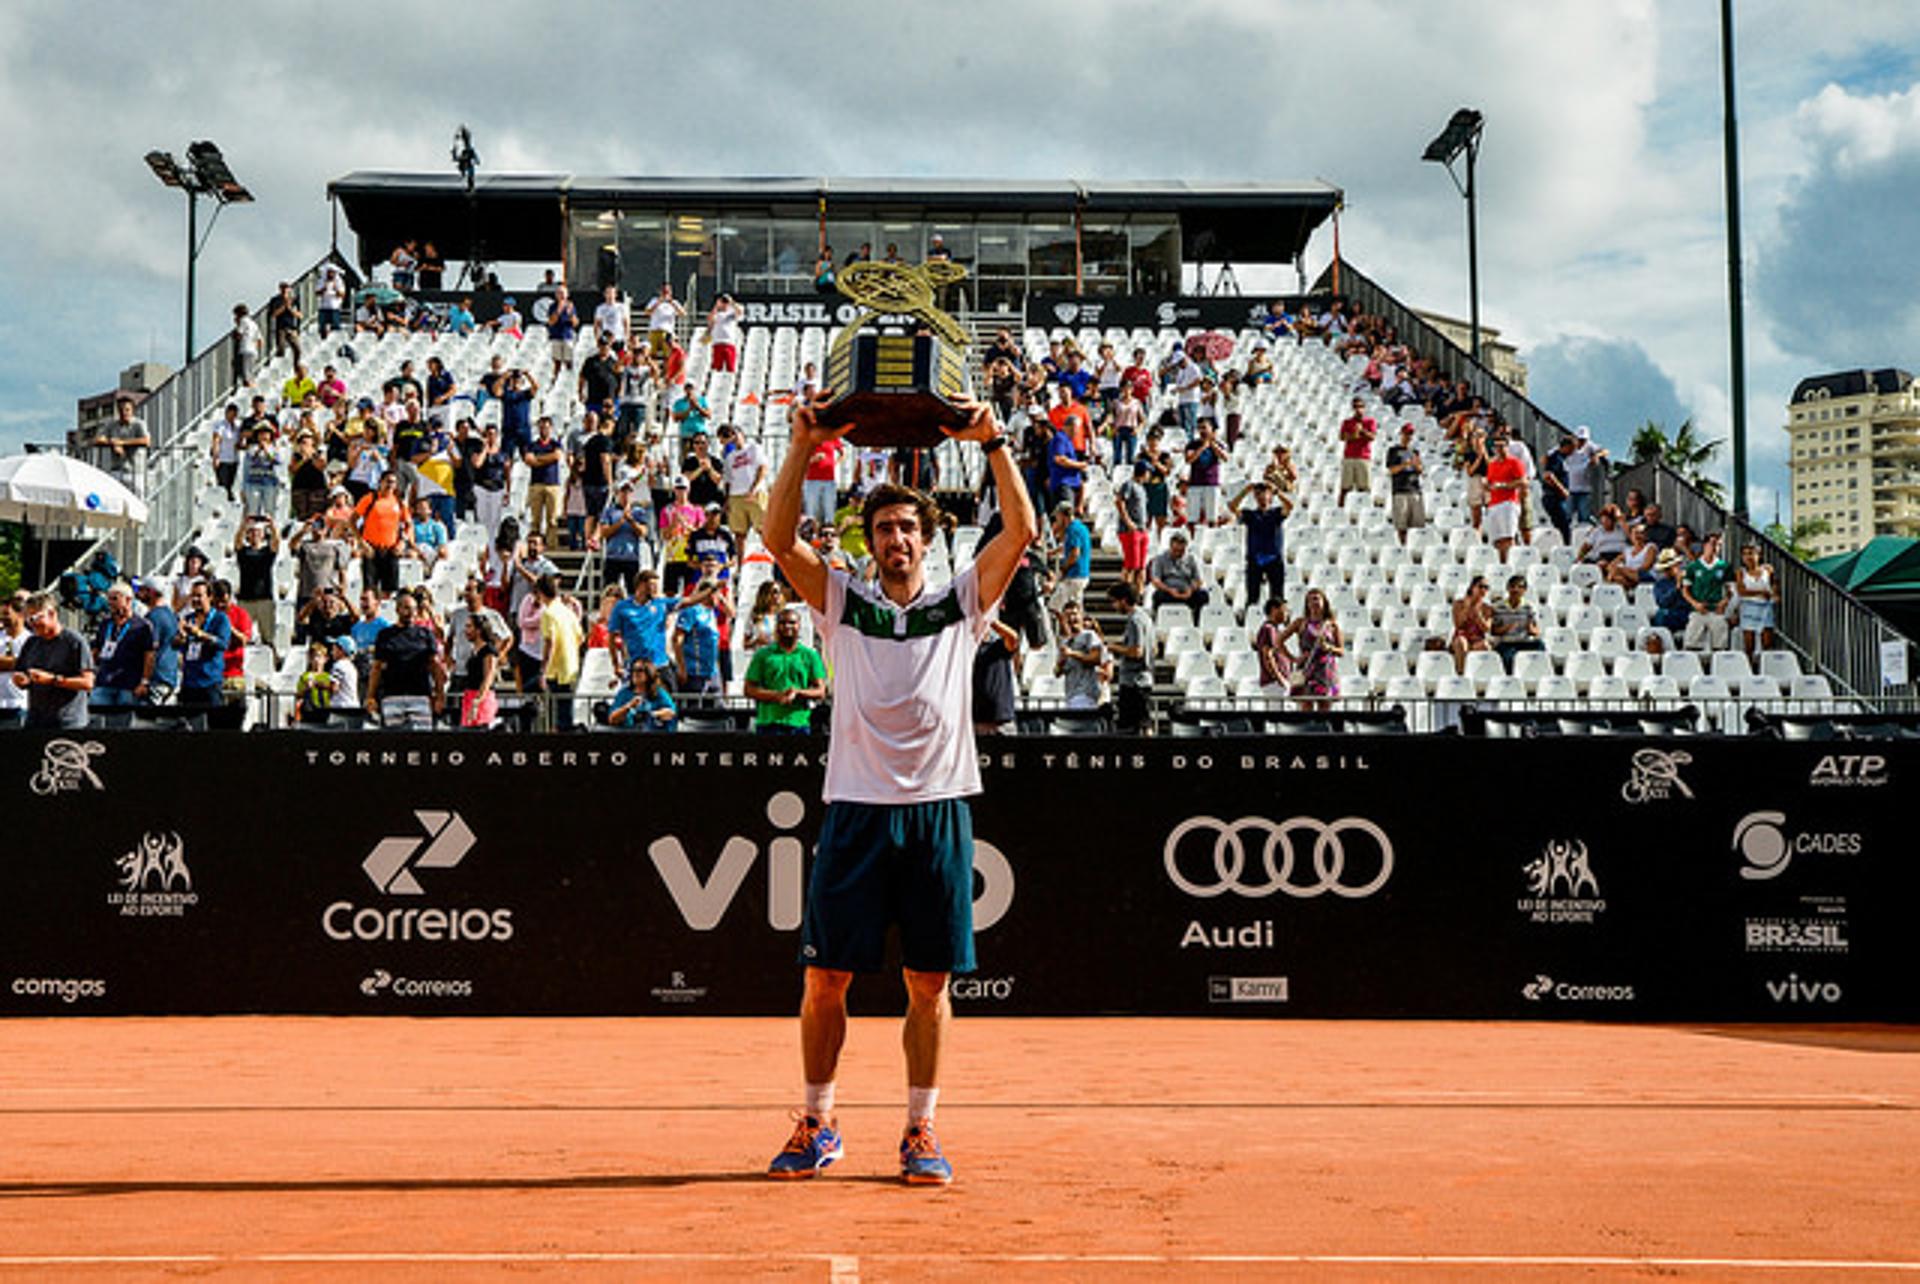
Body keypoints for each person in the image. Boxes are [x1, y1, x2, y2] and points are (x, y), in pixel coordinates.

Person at [761, 391, 1035, 1186]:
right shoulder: (843, 603)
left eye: (908, 527)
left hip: (938, 808)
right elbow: (777, 539)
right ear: (870, 542)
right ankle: (818, 1120)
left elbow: (1020, 532)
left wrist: (993, 440)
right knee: (824, 980)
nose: (896, 538)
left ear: (928, 537)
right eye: (883, 529)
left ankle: (921, 1131)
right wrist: (805, 442)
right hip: (854, 809)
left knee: (928, 982)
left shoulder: (961, 603)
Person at [3, 592, 94, 728]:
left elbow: (87, 682)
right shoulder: (32, 642)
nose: (33, 624)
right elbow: (22, 675)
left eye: (36, 618)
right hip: (36, 720)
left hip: (67, 722)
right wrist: (21, 680)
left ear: (52, 614)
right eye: (29, 620)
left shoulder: (74, 641)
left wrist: (53, 679)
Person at [365, 590, 445, 729]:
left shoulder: (425, 634)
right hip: (392, 696)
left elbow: (435, 666)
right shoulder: (385, 635)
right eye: (407, 608)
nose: (412, 612)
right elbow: (377, 667)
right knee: (394, 743)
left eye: (414, 609)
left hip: (420, 696)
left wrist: (440, 696)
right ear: (397, 609)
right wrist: (370, 696)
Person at [743, 606, 828, 735]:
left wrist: (797, 692)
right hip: (768, 723)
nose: (787, 626)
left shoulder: (810, 655)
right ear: (776, 626)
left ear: (799, 626)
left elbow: (820, 691)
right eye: (783, 623)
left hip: (799, 722)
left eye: (792, 623)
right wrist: (777, 696)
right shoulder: (763, 655)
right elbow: (749, 689)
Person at [1277, 587, 1341, 713]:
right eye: (1310, 600)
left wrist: (1329, 648)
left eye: (1317, 599)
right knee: (1306, 705)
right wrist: (1293, 658)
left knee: (1324, 706)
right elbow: (1279, 641)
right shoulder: (1300, 623)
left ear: (1324, 602)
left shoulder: (1332, 625)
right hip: (1306, 668)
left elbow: (1341, 650)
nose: (1314, 603)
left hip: (1325, 670)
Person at [1229, 478, 1290, 608]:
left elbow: (1289, 506)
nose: (1262, 497)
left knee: (1277, 596)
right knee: (1252, 597)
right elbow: (1232, 507)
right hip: (1255, 559)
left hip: (1274, 558)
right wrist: (1246, 491)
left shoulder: (1276, 513)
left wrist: (1276, 491)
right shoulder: (1250, 514)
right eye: (1258, 494)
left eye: (1264, 493)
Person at [172, 580, 232, 709]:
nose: (195, 599)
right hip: (189, 682)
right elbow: (178, 646)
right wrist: (180, 638)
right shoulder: (188, 618)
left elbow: (222, 644)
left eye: (199, 596)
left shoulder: (220, 619)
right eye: (193, 596)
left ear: (209, 597)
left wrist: (200, 634)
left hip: (210, 682)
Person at [1106, 581, 1155, 734]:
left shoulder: (1135, 620)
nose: (1113, 606)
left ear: (1124, 600)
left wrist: (1113, 647)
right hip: (1142, 679)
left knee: (1133, 726)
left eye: (1114, 601)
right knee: (1144, 722)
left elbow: (1137, 651)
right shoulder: (1145, 617)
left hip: (1134, 682)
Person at [536, 573, 582, 731]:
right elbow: (580, 638)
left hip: (555, 670)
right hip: (571, 667)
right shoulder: (567, 612)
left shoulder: (548, 613)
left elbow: (550, 642)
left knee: (557, 716)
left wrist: (543, 670)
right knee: (565, 712)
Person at [232, 516, 281, 652]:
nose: (255, 535)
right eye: (252, 532)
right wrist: (243, 525)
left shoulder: (267, 552)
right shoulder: (244, 552)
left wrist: (272, 525)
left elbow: (276, 543)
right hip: (245, 599)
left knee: (268, 637)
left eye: (258, 532)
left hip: (264, 599)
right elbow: (237, 543)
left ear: (263, 535)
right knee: (242, 635)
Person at [1683, 532, 1732, 652]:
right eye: (1713, 544)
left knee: (1720, 646)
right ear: (1705, 545)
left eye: (1719, 545)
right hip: (1698, 610)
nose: (1716, 547)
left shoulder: (1724, 566)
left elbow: (1730, 590)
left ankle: (1718, 669)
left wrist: (1724, 602)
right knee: (1692, 644)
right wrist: (1695, 604)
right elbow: (1685, 590)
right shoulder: (1693, 566)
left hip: (1716, 610)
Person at [1147, 530, 1209, 623]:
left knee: (1203, 595)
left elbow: (1198, 580)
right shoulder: (1160, 559)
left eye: (1181, 551)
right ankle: (1157, 621)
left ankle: (1197, 623)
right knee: (1157, 596)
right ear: (1170, 547)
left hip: (1187, 591)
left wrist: (1190, 590)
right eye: (1175, 550)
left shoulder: (1191, 559)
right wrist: (1169, 590)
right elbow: (1156, 580)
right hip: (1168, 591)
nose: (1178, 553)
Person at [719, 422, 768, 538]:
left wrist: (754, 489)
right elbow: (728, 480)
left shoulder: (754, 448)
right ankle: (741, 556)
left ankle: (769, 554)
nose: (732, 438)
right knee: (739, 533)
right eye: (727, 436)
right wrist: (727, 499)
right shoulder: (729, 457)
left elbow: (762, 468)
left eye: (733, 434)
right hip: (736, 495)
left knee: (763, 529)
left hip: (755, 493)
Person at [522, 418, 566, 546]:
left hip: (552, 484)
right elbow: (528, 460)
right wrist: (547, 459)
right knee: (535, 519)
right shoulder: (532, 445)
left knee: (552, 519)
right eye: (541, 427)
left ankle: (552, 545)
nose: (544, 430)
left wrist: (538, 459)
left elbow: (556, 456)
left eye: (546, 427)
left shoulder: (555, 444)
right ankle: (535, 546)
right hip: (536, 484)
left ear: (550, 428)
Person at [1483, 434, 1525, 563]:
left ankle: (1511, 564)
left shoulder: (1514, 462)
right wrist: (1487, 487)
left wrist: (1504, 485)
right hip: (1494, 503)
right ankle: (1502, 564)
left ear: (1507, 447)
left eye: (1502, 446)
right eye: (1496, 446)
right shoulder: (1492, 464)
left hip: (1508, 503)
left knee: (1508, 537)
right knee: (1497, 539)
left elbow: (1523, 481)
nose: (1499, 449)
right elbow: (1489, 483)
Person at [1384, 423, 1427, 545]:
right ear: (1401, 434)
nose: (1408, 436)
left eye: (1411, 434)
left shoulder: (1415, 452)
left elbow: (1420, 471)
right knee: (1401, 526)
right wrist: (1405, 465)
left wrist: (1417, 466)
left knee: (1417, 526)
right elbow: (1391, 470)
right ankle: (1403, 548)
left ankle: (1414, 548)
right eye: (1406, 433)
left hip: (1415, 490)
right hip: (1400, 490)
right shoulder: (1393, 451)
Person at [1047, 503, 1091, 619]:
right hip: (1081, 574)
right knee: (1075, 608)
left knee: (1055, 606)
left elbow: (1075, 553)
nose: (1056, 520)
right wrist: (1052, 553)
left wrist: (1064, 569)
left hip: (1074, 575)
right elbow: (1068, 546)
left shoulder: (1072, 530)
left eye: (1057, 517)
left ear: (1063, 516)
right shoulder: (1080, 527)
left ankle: (1067, 632)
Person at [608, 658, 677, 730]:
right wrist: (628, 706)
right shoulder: (624, 693)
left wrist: (651, 715)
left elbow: (671, 712)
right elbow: (612, 719)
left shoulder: (658, 692)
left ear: (649, 673)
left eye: (640, 670)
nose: (635, 673)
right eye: (633, 670)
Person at [1735, 542, 1777, 658]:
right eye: (1745, 554)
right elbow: (1741, 591)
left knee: (1767, 642)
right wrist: (1761, 593)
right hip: (1748, 607)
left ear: (1758, 555)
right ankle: (1750, 670)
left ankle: (1766, 667)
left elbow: (1773, 585)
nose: (1748, 557)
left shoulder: (1768, 569)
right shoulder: (1740, 572)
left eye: (1751, 553)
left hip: (1765, 608)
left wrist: (1775, 595)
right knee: (1749, 644)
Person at [1490, 575, 1544, 666]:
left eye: (1520, 587)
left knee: (1540, 645)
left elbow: (1536, 631)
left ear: (1525, 590)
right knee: (1509, 659)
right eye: (1512, 586)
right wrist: (1506, 628)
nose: (1516, 589)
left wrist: (1531, 629)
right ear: (1507, 588)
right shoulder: (1498, 607)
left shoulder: (1529, 607)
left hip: (1525, 642)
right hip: (1507, 643)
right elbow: (1494, 631)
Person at [97, 398, 150, 484]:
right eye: (121, 410)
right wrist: (113, 443)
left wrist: (122, 443)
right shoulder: (112, 424)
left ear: (132, 411)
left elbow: (146, 441)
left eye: (127, 410)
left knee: (136, 495)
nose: (124, 413)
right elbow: (99, 439)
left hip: (135, 471)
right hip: (117, 469)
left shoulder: (139, 424)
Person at [1449, 576, 1494, 674]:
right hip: (1461, 638)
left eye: (1486, 587)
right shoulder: (1458, 604)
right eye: (1481, 586)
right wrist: (1466, 608)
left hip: (1477, 640)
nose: (1483, 590)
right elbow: (1458, 624)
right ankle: (1461, 674)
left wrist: (1478, 615)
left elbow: (1487, 629)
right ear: (1472, 587)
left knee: (1485, 646)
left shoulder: (1487, 608)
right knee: (1461, 642)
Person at [1337, 397, 1376, 509]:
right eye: (1356, 407)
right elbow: (1342, 437)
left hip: (1363, 457)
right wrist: (1354, 434)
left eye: (1360, 406)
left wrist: (1362, 431)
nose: (1358, 409)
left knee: (1364, 487)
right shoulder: (1347, 422)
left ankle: (1366, 509)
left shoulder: (1369, 422)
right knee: (1345, 487)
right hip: (1349, 456)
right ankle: (1341, 510)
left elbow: (1372, 437)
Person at [1254, 597, 1294, 693]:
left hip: (1279, 682)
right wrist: (1279, 678)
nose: (1286, 614)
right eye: (1284, 610)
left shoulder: (1275, 629)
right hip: (1274, 684)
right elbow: (1267, 655)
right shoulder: (1268, 629)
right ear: (1274, 610)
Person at [546, 285, 579, 384]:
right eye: (559, 293)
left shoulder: (571, 306)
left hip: (567, 336)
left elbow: (575, 323)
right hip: (556, 336)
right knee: (557, 361)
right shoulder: (552, 306)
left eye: (563, 293)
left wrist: (570, 314)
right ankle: (556, 380)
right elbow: (551, 321)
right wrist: (559, 310)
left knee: (569, 360)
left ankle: (570, 380)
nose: (561, 295)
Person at [643, 284, 686, 360]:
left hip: (667, 332)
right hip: (655, 331)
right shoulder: (654, 300)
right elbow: (647, 312)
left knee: (668, 355)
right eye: (664, 291)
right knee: (651, 355)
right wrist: (658, 302)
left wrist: (672, 303)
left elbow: (683, 313)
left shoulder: (674, 302)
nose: (665, 293)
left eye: (667, 291)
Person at [708, 294, 744, 374]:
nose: (724, 304)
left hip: (729, 343)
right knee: (717, 368)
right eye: (723, 302)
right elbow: (710, 320)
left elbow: (740, 311)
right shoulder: (716, 314)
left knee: (730, 367)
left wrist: (732, 302)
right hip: (717, 342)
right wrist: (716, 306)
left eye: (725, 302)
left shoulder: (732, 313)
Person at [231, 303, 262, 388]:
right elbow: (260, 341)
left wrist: (236, 327)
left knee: (245, 375)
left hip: (245, 349)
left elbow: (238, 334)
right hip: (253, 351)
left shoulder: (243, 321)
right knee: (249, 373)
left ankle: (250, 388)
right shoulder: (254, 324)